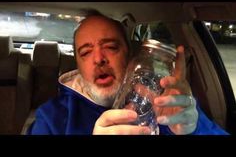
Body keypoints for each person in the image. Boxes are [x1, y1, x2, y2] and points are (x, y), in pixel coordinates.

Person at [27, 12, 228, 135]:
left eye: (111, 47)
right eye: (86, 52)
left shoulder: (167, 102)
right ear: (78, 66)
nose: (98, 58)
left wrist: (196, 129)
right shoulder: (52, 118)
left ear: (130, 56)